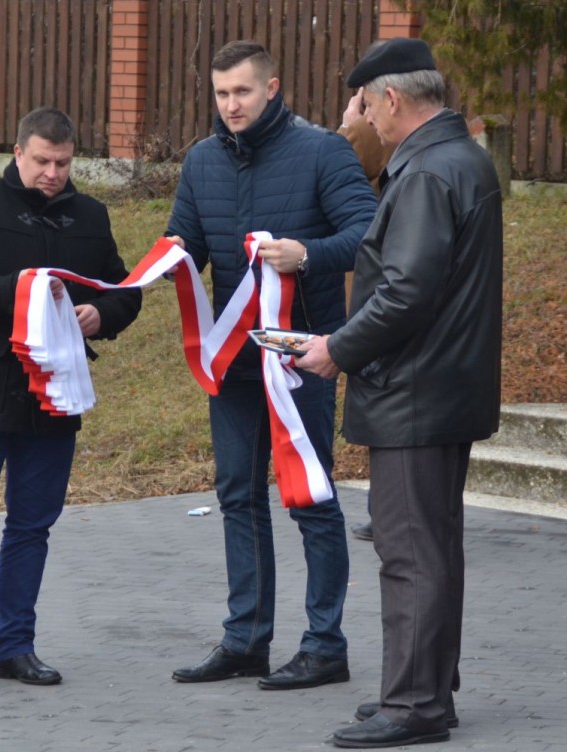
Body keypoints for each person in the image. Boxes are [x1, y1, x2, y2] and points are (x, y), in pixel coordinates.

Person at [297, 38, 503, 747]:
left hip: (415, 390)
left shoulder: (425, 172)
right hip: (442, 385)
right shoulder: (459, 158)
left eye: (362, 105)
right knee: (433, 548)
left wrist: (337, 348)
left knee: (410, 552)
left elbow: (406, 291)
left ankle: (414, 704)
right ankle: (427, 689)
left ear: (390, 98)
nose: (362, 120)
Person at [165, 40, 377, 690]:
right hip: (232, 361)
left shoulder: (324, 151)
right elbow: (187, 241)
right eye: (221, 93)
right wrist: (168, 259)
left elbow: (371, 234)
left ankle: (325, 646)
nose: (231, 105)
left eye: (243, 91)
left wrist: (306, 254)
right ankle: (245, 641)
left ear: (272, 88)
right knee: (237, 495)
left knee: (310, 498)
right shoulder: (202, 160)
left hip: (301, 358)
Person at [0, 107, 142, 699]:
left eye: (63, 163)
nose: (52, 173)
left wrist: (100, 315)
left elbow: (123, 291)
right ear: (18, 153)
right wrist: (28, 292)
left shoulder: (90, 215)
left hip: (55, 398)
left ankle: (15, 648)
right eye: (42, 161)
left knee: (31, 527)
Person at [338, 85, 396, 544]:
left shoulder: (369, 133)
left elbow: (340, 166)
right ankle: (388, 508)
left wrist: (349, 128)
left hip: (374, 289)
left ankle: (388, 510)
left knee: (382, 398)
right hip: (381, 283)